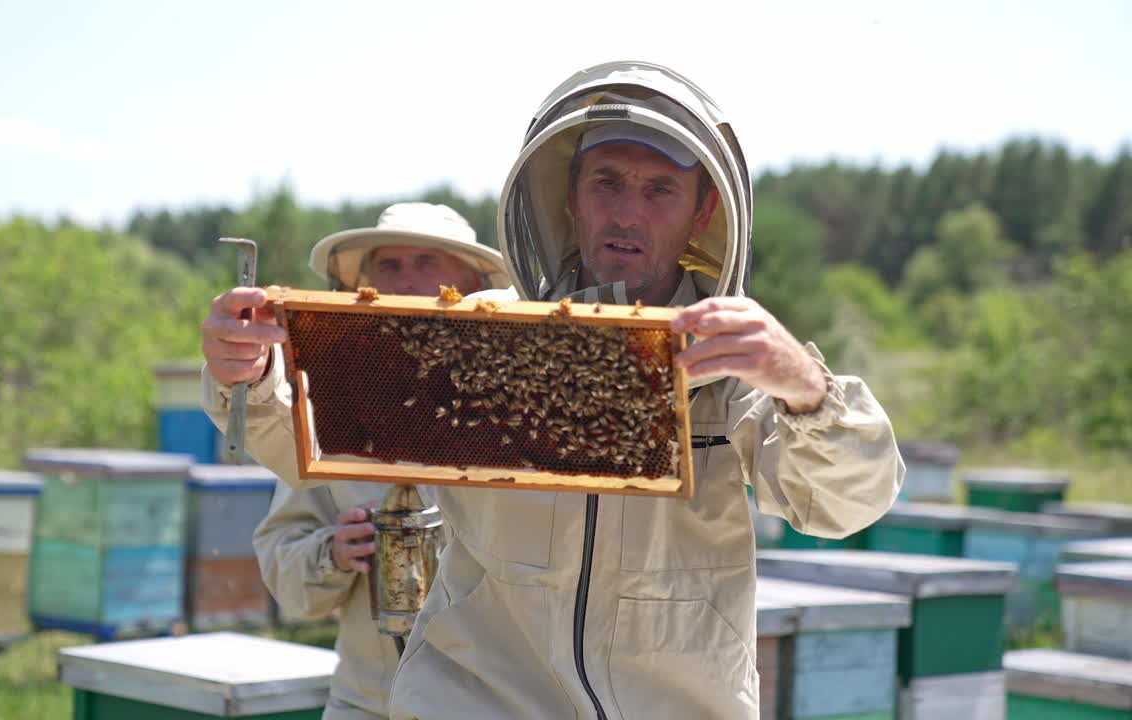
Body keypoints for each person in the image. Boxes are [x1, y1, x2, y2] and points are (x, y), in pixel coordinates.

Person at [200, 62, 903, 720]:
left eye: (660, 189)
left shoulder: (733, 364)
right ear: (570, 196)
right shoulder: (479, 340)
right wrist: (249, 374)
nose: (628, 212)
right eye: (607, 183)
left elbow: (846, 504)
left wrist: (808, 389)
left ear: (702, 210)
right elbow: (310, 436)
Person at [203, 202, 508, 720]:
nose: (406, 281)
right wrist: (332, 554)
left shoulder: (515, 402)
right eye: (389, 266)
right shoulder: (331, 404)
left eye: (426, 263)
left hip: (491, 704)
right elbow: (286, 573)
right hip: (368, 703)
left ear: (473, 282)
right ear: (362, 286)